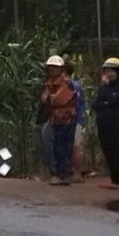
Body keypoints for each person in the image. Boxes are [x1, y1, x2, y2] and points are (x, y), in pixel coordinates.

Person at [38, 55, 79, 185]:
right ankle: (56, 173)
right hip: (54, 119)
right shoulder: (49, 83)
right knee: (53, 146)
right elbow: (44, 99)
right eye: (51, 68)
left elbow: (58, 100)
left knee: (63, 147)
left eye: (55, 68)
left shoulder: (66, 83)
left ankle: (64, 174)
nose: (53, 70)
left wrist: (49, 98)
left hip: (65, 119)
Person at [96, 56, 119, 188]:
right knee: (108, 151)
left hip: (117, 124)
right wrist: (107, 101)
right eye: (107, 71)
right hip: (103, 123)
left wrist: (106, 101)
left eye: (112, 71)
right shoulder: (104, 87)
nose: (109, 74)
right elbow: (96, 104)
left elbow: (117, 100)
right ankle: (115, 180)